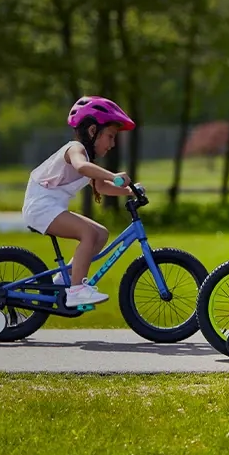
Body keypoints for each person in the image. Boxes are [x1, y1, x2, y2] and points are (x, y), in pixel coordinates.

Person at [21, 95, 139, 306]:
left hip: (51, 207)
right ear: (93, 131)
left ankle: (63, 281)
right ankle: (77, 290)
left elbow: (101, 187)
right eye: (111, 136)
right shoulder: (75, 150)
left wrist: (130, 191)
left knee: (101, 234)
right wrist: (113, 175)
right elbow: (81, 167)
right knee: (88, 233)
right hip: (40, 208)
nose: (112, 144)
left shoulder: (88, 158)